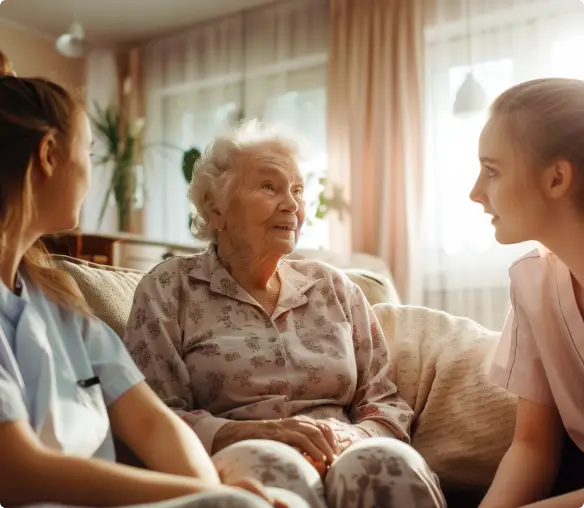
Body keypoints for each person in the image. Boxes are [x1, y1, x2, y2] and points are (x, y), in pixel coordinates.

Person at [0, 69, 300, 508]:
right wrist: (208, 495)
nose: (290, 203)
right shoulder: (168, 291)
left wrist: (214, 495)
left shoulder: (57, 297)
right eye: (87, 150)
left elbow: (152, 424)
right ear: (49, 154)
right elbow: (17, 473)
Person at [123, 121, 446, 508]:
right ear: (216, 207)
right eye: (269, 187)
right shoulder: (168, 289)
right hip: (243, 448)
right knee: (278, 470)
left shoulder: (334, 289)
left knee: (386, 464)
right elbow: (153, 419)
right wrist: (255, 433)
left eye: (297, 190)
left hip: (342, 447)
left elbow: (384, 402)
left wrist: (349, 438)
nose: (292, 204)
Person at [470, 78, 584, 508]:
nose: (475, 193)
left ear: (557, 178)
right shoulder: (531, 281)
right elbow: (532, 447)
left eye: (492, 171)